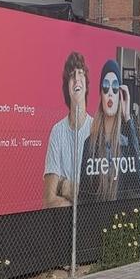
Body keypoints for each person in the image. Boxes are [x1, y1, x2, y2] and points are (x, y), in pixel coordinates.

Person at [80, 60, 140, 202]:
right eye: (105, 87)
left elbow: (138, 183)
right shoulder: (89, 144)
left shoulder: (127, 143)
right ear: (100, 94)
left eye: (115, 87)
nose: (110, 93)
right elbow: (83, 194)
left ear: (119, 95)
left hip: (120, 217)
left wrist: (127, 117)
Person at [43, 52, 92, 207]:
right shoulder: (58, 132)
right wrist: (79, 198)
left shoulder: (97, 129)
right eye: (72, 75)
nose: (77, 78)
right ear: (67, 87)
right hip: (63, 221)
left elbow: (99, 196)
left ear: (86, 84)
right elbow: (49, 200)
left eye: (81, 73)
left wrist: (63, 184)